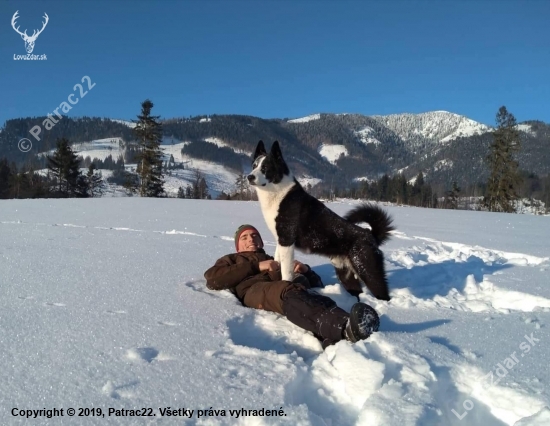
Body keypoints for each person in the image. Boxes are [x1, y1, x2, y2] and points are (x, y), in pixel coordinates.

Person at [204, 224, 380, 348]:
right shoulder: (233, 259)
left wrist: (305, 271)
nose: (251, 239)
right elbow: (213, 279)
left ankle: (330, 339)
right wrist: (256, 266)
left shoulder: (276, 257)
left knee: (305, 291)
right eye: (244, 237)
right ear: (238, 246)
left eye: (255, 235)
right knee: (285, 290)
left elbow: (317, 284)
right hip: (254, 290)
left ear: (261, 241)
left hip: (286, 289)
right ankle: (344, 327)